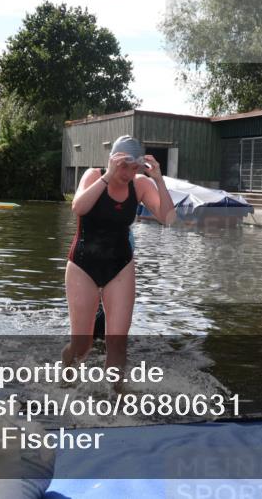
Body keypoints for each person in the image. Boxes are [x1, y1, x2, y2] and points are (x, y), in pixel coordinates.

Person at [62, 135, 175, 379]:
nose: (128, 174)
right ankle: (67, 374)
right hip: (83, 264)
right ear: (113, 160)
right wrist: (106, 176)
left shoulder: (141, 184)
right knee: (83, 345)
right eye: (123, 166)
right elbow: (78, 208)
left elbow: (168, 218)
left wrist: (158, 179)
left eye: (134, 168)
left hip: (119, 265)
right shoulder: (94, 175)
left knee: (118, 342)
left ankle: (116, 396)